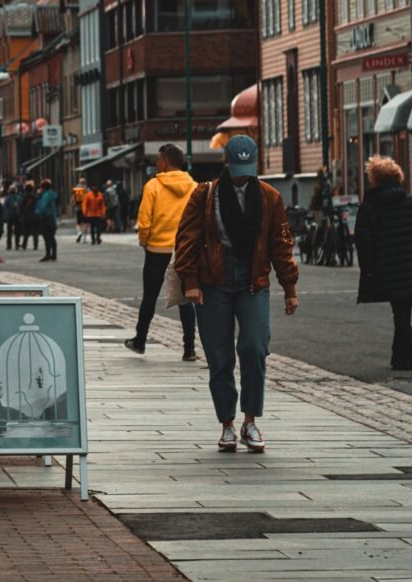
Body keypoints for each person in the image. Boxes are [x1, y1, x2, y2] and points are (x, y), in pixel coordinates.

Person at [174, 136, 299, 453]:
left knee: (255, 348)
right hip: (213, 282)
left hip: (253, 281)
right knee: (219, 356)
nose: (243, 175)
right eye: (237, 168)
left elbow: (280, 244)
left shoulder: (269, 197)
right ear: (226, 164)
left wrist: (289, 288)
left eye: (248, 168)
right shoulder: (206, 195)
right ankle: (227, 424)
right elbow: (186, 238)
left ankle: (250, 420)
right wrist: (190, 280)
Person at [124, 144, 198, 361]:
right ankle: (189, 349)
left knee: (150, 296)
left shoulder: (153, 186)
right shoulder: (193, 186)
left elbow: (145, 218)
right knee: (185, 298)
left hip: (157, 248)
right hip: (183, 248)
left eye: (158, 160)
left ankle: (140, 340)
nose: (156, 164)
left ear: (165, 161)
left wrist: (144, 240)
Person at [354, 155, 412, 370]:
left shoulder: (369, 207)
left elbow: (364, 241)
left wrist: (368, 270)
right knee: (404, 314)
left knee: (401, 314)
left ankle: (403, 358)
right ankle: (401, 356)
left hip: (389, 269)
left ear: (375, 180)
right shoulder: (410, 203)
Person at [35, 178, 59, 262]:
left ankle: (48, 254)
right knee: (51, 236)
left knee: (46, 237)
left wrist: (38, 211)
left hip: (46, 218)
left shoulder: (45, 195)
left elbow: (42, 207)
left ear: (43, 187)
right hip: (52, 217)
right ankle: (54, 255)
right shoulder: (52, 194)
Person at [19, 181, 39, 251]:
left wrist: (20, 215)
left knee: (26, 232)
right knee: (35, 232)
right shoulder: (36, 197)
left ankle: (24, 244)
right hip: (35, 216)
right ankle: (35, 245)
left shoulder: (24, 197)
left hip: (27, 216)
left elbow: (21, 207)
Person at [3, 185, 21, 251]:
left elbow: (4, 207)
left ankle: (9, 245)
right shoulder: (19, 198)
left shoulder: (7, 198)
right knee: (17, 231)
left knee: (9, 231)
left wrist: (5, 216)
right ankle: (17, 244)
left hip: (10, 216)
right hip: (17, 216)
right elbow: (21, 207)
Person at [72, 177, 88, 243]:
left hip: (78, 208)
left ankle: (79, 233)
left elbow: (73, 199)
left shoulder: (76, 189)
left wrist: (75, 205)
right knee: (85, 223)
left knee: (78, 223)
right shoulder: (87, 189)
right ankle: (84, 238)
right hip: (85, 209)